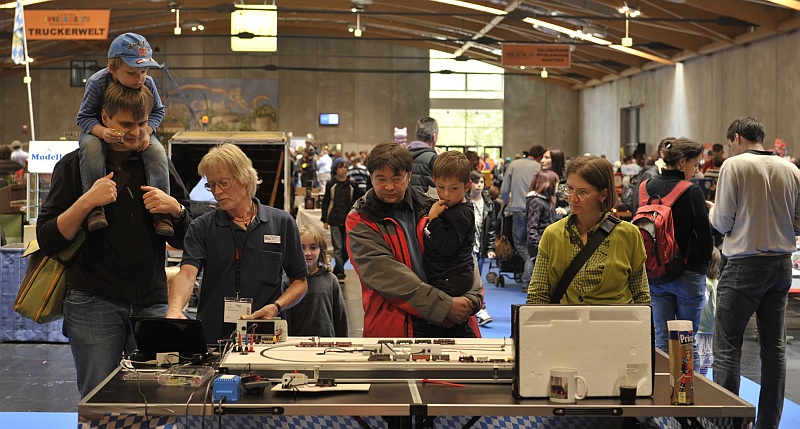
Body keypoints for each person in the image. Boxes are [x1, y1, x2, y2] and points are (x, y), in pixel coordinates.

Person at [36, 81, 192, 398]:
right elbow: (48, 239)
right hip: (93, 302)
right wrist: (86, 202)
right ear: (105, 118)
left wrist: (174, 209)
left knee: (156, 401)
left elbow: (187, 239)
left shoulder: (158, 165)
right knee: (97, 400)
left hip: (151, 301)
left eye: (141, 123)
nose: (135, 133)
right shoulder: (73, 166)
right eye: (125, 124)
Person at [709, 116, 800, 429]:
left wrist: (715, 212)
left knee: (727, 348)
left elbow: (721, 221)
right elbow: (799, 222)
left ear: (736, 138)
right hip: (781, 264)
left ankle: (729, 425)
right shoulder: (791, 169)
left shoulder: (734, 166)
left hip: (744, 265)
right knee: (774, 351)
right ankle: (768, 424)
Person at [167, 143, 309, 342]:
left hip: (263, 334)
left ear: (246, 178)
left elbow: (300, 282)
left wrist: (276, 307)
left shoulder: (281, 223)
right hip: (214, 336)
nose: (217, 191)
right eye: (211, 185)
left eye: (223, 182)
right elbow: (187, 275)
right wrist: (175, 309)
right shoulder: (201, 227)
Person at [346, 142, 483, 338]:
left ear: (409, 176)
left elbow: (464, 254)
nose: (389, 186)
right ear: (371, 177)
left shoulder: (433, 207)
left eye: (396, 178)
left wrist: (472, 298)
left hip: (452, 319)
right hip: (396, 324)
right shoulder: (360, 219)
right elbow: (388, 276)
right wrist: (445, 307)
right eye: (381, 179)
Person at [76, 33, 171, 236]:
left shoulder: (148, 83)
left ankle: (162, 211)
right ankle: (94, 207)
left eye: (144, 71)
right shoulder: (97, 82)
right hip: (98, 130)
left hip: (139, 131)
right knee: (91, 149)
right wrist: (103, 132)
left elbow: (158, 111)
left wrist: (146, 131)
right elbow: (83, 118)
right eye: (132, 73)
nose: (139, 78)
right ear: (113, 68)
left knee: (157, 153)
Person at [526, 156, 650, 305]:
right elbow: (537, 295)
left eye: (582, 192)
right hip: (565, 319)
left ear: (603, 195)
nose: (573, 199)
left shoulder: (629, 234)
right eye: (570, 189)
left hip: (617, 320)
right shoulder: (552, 234)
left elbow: (641, 296)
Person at [643, 138, 713, 363]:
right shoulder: (692, 191)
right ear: (682, 162)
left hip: (655, 272)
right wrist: (704, 264)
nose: (697, 170)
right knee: (687, 341)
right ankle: (688, 386)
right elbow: (704, 237)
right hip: (688, 273)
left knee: (662, 339)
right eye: (695, 164)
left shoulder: (645, 188)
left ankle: (663, 383)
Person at [418, 151, 477, 338]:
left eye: (454, 188)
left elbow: (447, 246)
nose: (446, 194)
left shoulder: (462, 213)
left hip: (453, 278)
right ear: (434, 180)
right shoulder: (447, 206)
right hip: (443, 275)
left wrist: (434, 219)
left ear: (467, 186)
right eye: (441, 187)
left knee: (448, 325)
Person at [282, 225, 349, 337]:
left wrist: (343, 341)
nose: (307, 253)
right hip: (295, 343)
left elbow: (340, 317)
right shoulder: (287, 282)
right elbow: (284, 320)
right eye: (302, 248)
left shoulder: (331, 280)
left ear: (321, 250)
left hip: (326, 343)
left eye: (313, 248)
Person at [500, 145, 545, 286]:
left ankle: (527, 274)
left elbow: (504, 190)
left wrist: (508, 202)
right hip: (536, 210)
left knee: (519, 244)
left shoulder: (514, 164)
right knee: (533, 244)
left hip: (518, 209)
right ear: (539, 157)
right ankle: (529, 275)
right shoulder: (540, 168)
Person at [321, 157, 360, 281]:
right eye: (340, 167)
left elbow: (358, 201)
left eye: (345, 167)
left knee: (347, 249)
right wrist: (325, 219)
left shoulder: (352, 183)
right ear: (335, 169)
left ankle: (338, 269)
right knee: (338, 248)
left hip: (349, 220)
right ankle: (340, 273)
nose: (343, 170)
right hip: (334, 219)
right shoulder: (331, 184)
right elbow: (326, 202)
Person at [467, 170, 496, 326]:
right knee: (473, 280)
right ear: (469, 183)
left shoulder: (489, 204)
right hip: (467, 249)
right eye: (476, 182)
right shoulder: (463, 201)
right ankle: (480, 310)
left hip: (480, 248)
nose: (479, 185)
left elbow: (491, 229)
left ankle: (476, 309)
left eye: (482, 182)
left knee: (476, 281)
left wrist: (491, 248)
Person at [697, 246, 721, 376]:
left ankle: (700, 380)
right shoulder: (716, 282)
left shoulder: (704, 282)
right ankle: (703, 378)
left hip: (701, 326)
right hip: (711, 327)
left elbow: (703, 301)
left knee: (699, 357)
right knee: (705, 359)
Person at [525, 169, 560, 262]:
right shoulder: (536, 201)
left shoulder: (546, 200)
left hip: (546, 245)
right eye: (556, 182)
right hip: (540, 248)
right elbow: (531, 229)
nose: (557, 185)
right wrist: (540, 246)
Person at [406, 117, 439, 195]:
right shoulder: (433, 158)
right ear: (434, 137)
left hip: (407, 201)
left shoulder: (403, 155)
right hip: (427, 201)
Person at [541, 147, 569, 218]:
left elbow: (577, 201)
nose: (542, 160)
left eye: (547, 158)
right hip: (545, 219)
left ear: (555, 160)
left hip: (562, 218)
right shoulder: (541, 178)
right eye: (542, 157)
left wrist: (566, 210)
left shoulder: (567, 179)